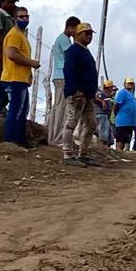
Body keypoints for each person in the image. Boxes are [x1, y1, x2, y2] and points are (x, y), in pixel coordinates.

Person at [61, 22, 99, 167]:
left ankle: (83, 154)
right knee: (71, 123)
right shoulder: (74, 50)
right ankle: (68, 154)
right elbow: (68, 70)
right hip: (78, 94)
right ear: (78, 34)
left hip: (88, 96)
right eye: (86, 33)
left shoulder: (85, 51)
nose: (89, 36)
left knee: (90, 124)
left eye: (90, 33)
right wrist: (73, 90)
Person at [1, 6, 40, 147]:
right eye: (21, 17)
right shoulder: (14, 35)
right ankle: (10, 141)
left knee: (22, 110)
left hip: (21, 79)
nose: (25, 19)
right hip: (14, 78)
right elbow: (11, 54)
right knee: (16, 110)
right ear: (14, 19)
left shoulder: (21, 36)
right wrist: (31, 63)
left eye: (26, 16)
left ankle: (20, 140)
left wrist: (28, 74)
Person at [48, 16, 80, 146]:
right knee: (61, 107)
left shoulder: (63, 39)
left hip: (60, 76)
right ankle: (57, 138)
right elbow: (71, 56)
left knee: (59, 107)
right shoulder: (64, 40)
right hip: (62, 76)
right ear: (70, 27)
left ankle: (55, 136)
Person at [114, 78, 136, 151]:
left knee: (127, 140)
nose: (130, 84)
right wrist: (116, 115)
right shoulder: (122, 92)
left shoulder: (131, 94)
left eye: (131, 83)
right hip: (122, 121)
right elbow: (116, 105)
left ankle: (123, 154)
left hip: (130, 122)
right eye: (128, 83)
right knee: (120, 140)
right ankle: (118, 153)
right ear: (125, 84)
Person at [95, 80, 114, 145]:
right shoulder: (102, 93)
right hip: (102, 114)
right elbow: (95, 98)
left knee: (108, 133)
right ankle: (101, 145)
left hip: (106, 115)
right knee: (103, 133)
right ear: (108, 87)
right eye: (111, 87)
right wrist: (102, 102)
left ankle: (106, 146)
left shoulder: (108, 96)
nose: (112, 89)